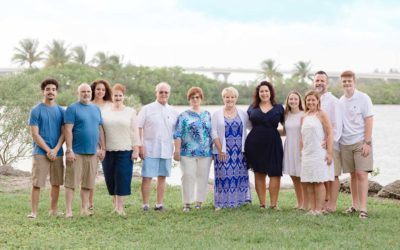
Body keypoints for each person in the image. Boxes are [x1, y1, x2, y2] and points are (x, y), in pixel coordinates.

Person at [64, 83, 105, 218]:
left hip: (92, 153)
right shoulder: (72, 108)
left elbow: (99, 129)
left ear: (91, 93)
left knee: (88, 183)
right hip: (76, 152)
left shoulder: (96, 109)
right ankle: (69, 211)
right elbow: (68, 130)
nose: (86, 94)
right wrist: (69, 150)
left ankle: (84, 209)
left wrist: (102, 148)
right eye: (83, 92)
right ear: (78, 93)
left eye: (88, 91)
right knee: (71, 183)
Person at [27, 78, 65, 219]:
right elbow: (34, 134)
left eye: (53, 89)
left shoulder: (61, 111)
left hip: (58, 152)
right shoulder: (36, 110)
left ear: (56, 92)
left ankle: (53, 210)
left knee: (56, 183)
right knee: (37, 184)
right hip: (40, 152)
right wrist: (48, 150)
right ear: (43, 91)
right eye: (48, 89)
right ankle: (34, 212)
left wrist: (55, 149)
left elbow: (64, 133)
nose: (51, 92)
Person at [101, 83, 141, 216]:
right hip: (108, 150)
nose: (117, 97)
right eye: (115, 95)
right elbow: (100, 131)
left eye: (120, 95)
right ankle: (115, 206)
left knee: (122, 178)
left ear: (123, 97)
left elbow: (134, 132)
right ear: (111, 96)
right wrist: (100, 147)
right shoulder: (104, 111)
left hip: (125, 149)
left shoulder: (130, 111)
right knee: (110, 178)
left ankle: (120, 208)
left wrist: (136, 149)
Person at [138, 82, 178, 211]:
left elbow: (177, 132)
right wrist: (140, 146)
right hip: (149, 147)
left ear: (169, 94)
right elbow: (138, 127)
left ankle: (159, 204)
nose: (163, 94)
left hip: (166, 149)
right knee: (147, 176)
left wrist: (177, 149)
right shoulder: (147, 109)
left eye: (166, 92)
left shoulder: (173, 111)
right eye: (161, 92)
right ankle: (145, 204)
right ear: (156, 93)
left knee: (162, 176)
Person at [339, 70, 373, 219]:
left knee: (361, 174)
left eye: (349, 81)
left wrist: (367, 142)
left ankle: (363, 209)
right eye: (344, 81)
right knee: (352, 175)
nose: (347, 84)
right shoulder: (341, 101)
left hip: (361, 141)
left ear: (354, 82)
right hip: (345, 143)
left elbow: (369, 120)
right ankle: (355, 205)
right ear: (342, 83)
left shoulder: (363, 98)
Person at [245, 81, 284, 209]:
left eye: (266, 91)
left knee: (275, 173)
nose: (264, 93)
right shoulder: (252, 108)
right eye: (261, 91)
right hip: (255, 144)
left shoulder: (279, 108)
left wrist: (273, 132)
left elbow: (287, 127)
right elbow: (247, 126)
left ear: (270, 92)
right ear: (258, 93)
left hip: (274, 143)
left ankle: (274, 204)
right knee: (259, 172)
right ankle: (262, 204)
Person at [212, 87, 252, 210]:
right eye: (227, 97)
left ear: (236, 98)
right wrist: (220, 150)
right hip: (222, 150)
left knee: (239, 175)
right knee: (223, 176)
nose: (230, 99)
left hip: (239, 151)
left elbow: (252, 127)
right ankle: (221, 203)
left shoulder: (243, 113)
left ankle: (239, 200)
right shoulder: (217, 114)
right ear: (223, 98)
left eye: (232, 97)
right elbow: (213, 132)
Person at [173, 87, 213, 212]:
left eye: (197, 97)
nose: (195, 99)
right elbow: (177, 134)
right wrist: (177, 151)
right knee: (187, 176)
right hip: (187, 152)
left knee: (203, 176)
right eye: (192, 97)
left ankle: (199, 202)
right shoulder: (183, 115)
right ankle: (187, 203)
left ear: (201, 99)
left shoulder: (207, 114)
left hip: (206, 152)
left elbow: (212, 133)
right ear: (189, 100)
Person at [300, 90, 333, 215]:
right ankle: (312, 209)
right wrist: (301, 152)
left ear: (318, 101)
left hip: (319, 152)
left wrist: (329, 152)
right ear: (305, 101)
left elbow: (330, 133)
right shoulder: (304, 116)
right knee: (309, 182)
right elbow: (301, 136)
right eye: (308, 100)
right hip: (307, 153)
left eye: (313, 99)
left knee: (319, 181)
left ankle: (319, 209)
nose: (310, 102)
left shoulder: (321, 114)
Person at [313, 71, 343, 213]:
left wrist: (329, 142)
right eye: (317, 80)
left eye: (322, 80)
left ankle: (332, 205)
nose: (319, 83)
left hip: (331, 144)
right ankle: (324, 203)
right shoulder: (313, 100)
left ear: (327, 83)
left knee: (334, 175)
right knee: (323, 174)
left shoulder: (333, 101)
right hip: (317, 145)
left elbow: (337, 125)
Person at [89, 79, 113, 210]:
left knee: (111, 173)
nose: (100, 91)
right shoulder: (89, 104)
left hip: (111, 141)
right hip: (93, 142)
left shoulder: (110, 104)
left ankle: (116, 203)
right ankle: (89, 202)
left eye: (103, 89)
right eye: (98, 89)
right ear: (93, 90)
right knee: (91, 173)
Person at [282, 91, 306, 210]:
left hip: (301, 146)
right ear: (288, 101)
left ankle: (306, 203)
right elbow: (285, 132)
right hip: (289, 146)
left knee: (302, 176)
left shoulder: (304, 114)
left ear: (299, 100)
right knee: (294, 176)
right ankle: (299, 202)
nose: (293, 101)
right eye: (291, 99)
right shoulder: (286, 114)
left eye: (295, 99)